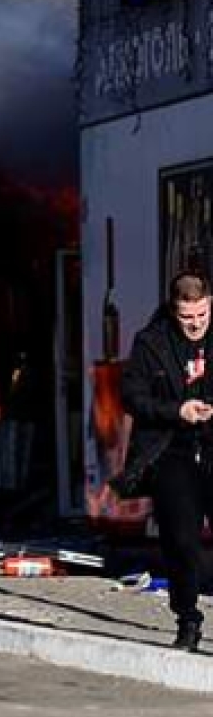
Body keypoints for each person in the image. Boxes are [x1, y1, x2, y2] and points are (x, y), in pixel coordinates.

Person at [121, 272, 213, 651]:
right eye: (187, 316)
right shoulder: (151, 343)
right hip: (170, 448)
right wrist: (177, 411)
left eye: (202, 315)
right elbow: (132, 397)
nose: (196, 324)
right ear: (174, 311)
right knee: (182, 540)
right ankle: (188, 619)